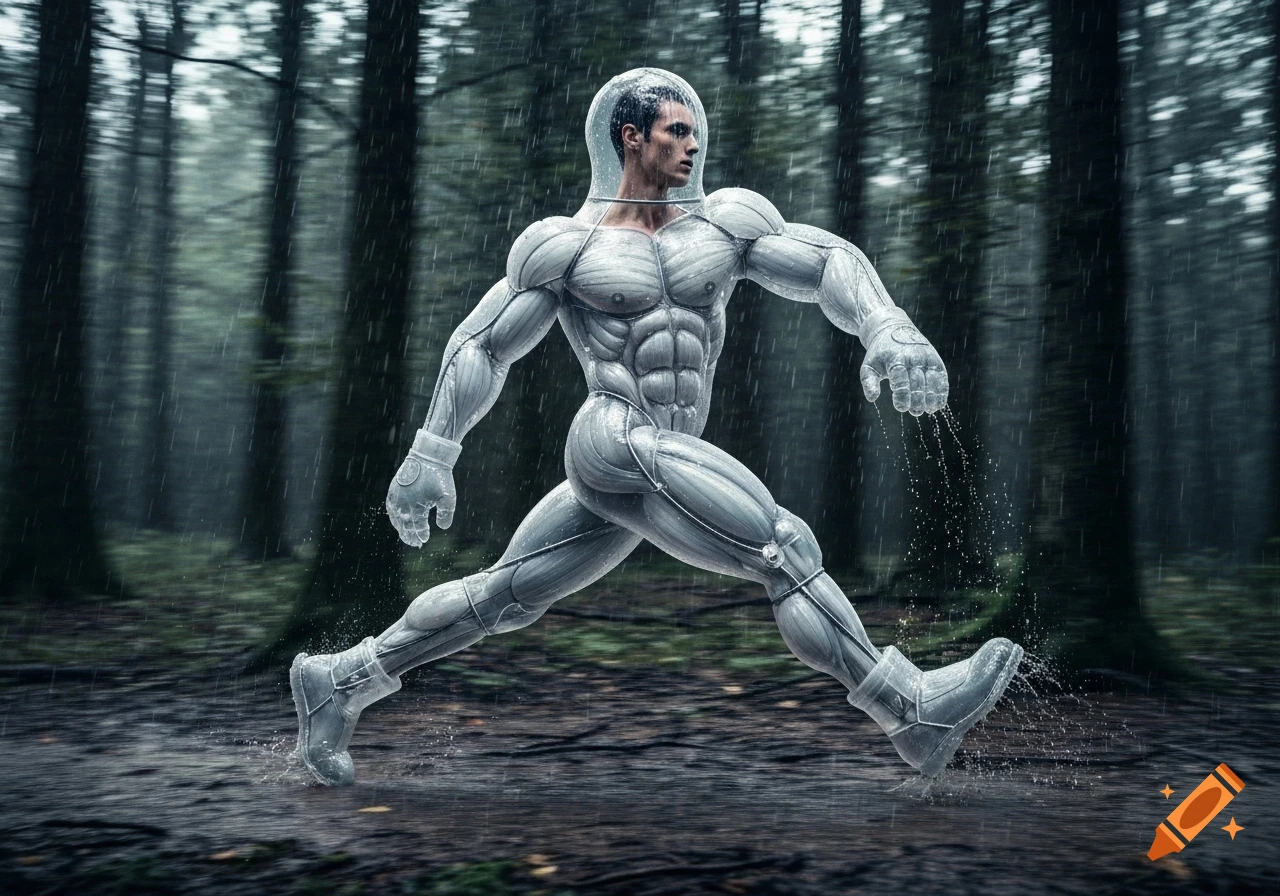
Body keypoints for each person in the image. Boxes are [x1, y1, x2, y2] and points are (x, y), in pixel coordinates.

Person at [291, 69, 1023, 786]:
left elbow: (825, 259)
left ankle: (339, 681)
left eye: (695, 133)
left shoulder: (726, 223)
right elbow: (483, 343)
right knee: (782, 545)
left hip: (665, 453)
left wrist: (887, 326)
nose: (692, 147)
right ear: (631, 137)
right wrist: (431, 451)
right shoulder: (566, 245)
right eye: (677, 132)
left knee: (504, 596)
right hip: (611, 438)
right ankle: (910, 709)